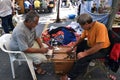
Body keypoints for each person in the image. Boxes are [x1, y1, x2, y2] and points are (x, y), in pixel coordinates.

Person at [61, 13, 111, 80]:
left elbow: (99, 45)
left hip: (102, 49)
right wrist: (72, 48)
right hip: (92, 44)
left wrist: (85, 53)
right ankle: (78, 63)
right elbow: (81, 38)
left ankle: (70, 77)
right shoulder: (88, 28)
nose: (81, 27)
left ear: (87, 23)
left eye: (82, 26)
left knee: (84, 57)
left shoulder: (100, 27)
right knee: (80, 45)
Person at [9, 10, 49, 74]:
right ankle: (35, 67)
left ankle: (34, 63)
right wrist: (41, 50)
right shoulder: (20, 31)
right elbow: (24, 49)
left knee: (47, 49)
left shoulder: (31, 25)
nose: (37, 24)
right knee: (42, 58)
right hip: (19, 51)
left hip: (28, 44)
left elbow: (36, 37)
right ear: (29, 22)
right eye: (36, 22)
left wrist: (42, 46)